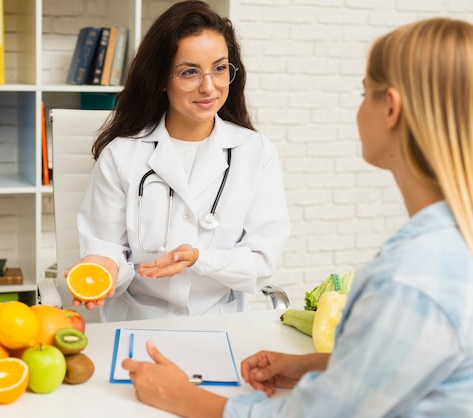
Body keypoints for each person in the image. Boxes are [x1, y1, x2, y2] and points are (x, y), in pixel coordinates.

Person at [121, 17, 473, 417]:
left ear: (390, 108)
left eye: (364, 93)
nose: (209, 84)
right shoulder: (447, 245)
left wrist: (181, 397)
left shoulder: (410, 279)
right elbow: (414, 365)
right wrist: (316, 365)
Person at [67, 0, 290, 322]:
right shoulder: (122, 154)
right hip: (137, 323)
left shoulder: (255, 152)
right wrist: (104, 265)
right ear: (161, 78)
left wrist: (200, 259)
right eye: (189, 72)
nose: (209, 86)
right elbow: (105, 246)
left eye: (220, 68)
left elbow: (261, 261)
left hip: (221, 322)